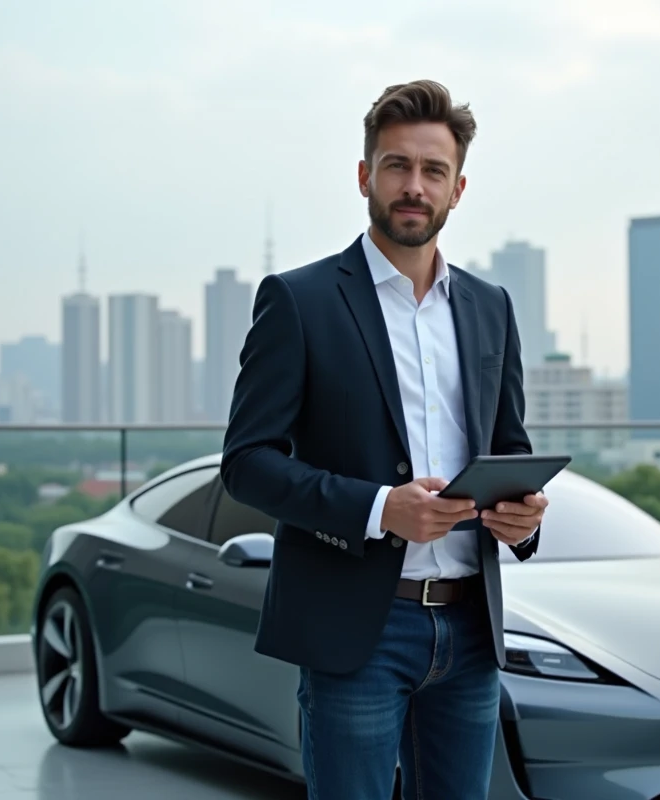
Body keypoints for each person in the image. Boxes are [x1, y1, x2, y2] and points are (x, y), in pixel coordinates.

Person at [220, 79, 547, 800]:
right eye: (397, 165)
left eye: (433, 171)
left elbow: (509, 448)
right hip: (357, 631)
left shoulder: (490, 307)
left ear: (458, 189)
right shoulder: (299, 300)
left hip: (470, 627)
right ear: (365, 176)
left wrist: (522, 518)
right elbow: (246, 466)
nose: (414, 186)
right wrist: (379, 509)